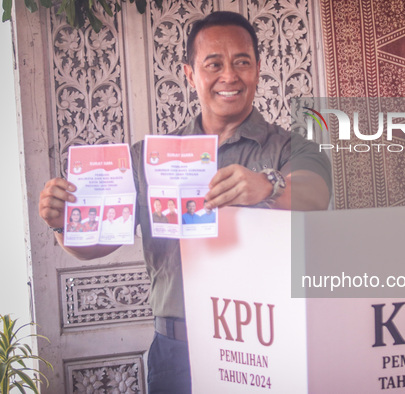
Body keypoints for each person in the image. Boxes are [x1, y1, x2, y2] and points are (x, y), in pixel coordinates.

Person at [38, 11, 331, 394]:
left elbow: (315, 194)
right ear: (190, 74)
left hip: (269, 343)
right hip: (178, 351)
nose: (229, 75)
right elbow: (96, 245)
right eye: (214, 64)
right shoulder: (147, 159)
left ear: (258, 69)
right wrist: (63, 223)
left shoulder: (292, 148)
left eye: (242, 62)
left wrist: (267, 186)